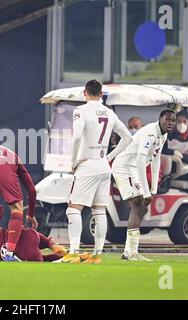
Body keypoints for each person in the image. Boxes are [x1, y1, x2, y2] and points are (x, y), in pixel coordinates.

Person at [56, 80, 133, 264]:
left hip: (87, 165)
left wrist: (73, 162)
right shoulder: (110, 113)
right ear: (101, 94)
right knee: (99, 211)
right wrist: (109, 158)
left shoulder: (80, 111)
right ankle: (97, 255)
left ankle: (74, 253)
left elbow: (76, 138)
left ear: (85, 93)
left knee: (73, 209)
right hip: (103, 167)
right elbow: (128, 138)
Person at [112, 108, 176, 261]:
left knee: (142, 207)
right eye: (168, 119)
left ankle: (129, 252)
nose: (171, 123)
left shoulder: (163, 135)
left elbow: (156, 159)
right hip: (124, 167)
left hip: (132, 168)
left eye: (173, 120)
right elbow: (141, 161)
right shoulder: (150, 133)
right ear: (160, 119)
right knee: (137, 203)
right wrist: (146, 191)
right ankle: (131, 252)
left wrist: (153, 188)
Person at [0, 205, 67, 262]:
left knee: (42, 259)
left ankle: (64, 258)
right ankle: (51, 244)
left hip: (24, 257)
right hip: (26, 237)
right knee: (17, 231)